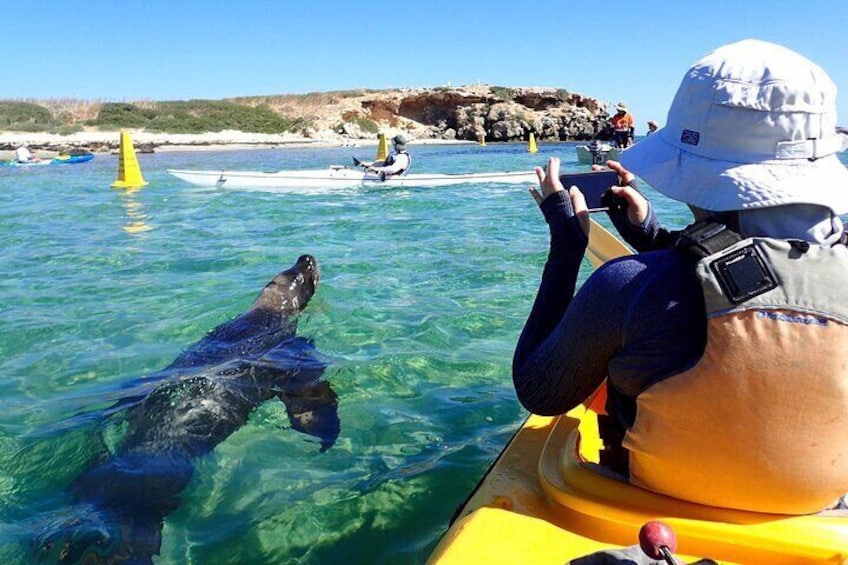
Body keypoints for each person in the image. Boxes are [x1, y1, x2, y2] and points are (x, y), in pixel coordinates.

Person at [513, 39, 848, 515]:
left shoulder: (629, 286)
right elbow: (776, 277)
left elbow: (539, 391)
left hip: (646, 514)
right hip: (820, 521)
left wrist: (568, 246)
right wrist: (651, 235)